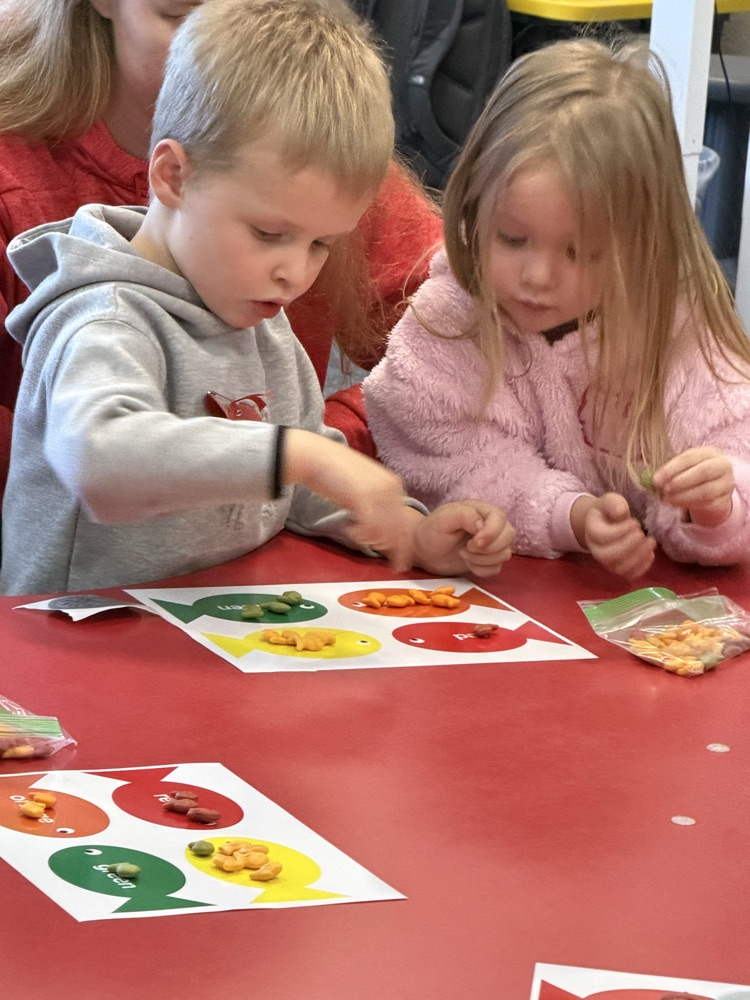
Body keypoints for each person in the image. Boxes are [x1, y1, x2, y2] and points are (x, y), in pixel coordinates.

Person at [0, 0, 513, 596]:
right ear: (173, 177)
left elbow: (290, 484)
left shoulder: (256, 313)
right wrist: (298, 456)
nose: (295, 272)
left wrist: (402, 528)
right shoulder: (105, 315)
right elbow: (98, 459)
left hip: (206, 630)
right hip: (74, 652)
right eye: (269, 235)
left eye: (322, 244)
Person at [364, 38, 750, 580]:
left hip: (666, 614)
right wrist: (571, 516)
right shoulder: (450, 320)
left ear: (643, 245)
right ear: (474, 200)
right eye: (512, 237)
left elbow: (738, 444)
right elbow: (446, 462)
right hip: (510, 608)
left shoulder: (678, 325)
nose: (537, 277)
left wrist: (714, 504)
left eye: (581, 252)